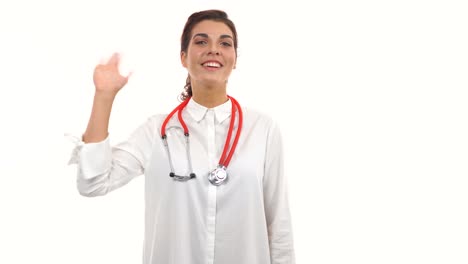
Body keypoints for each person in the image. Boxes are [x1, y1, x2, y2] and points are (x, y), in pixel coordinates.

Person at [68, 9, 295, 264]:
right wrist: (104, 96)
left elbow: (278, 224)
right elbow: (93, 183)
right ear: (183, 57)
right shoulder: (157, 131)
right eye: (201, 41)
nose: (214, 49)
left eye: (225, 43)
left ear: (235, 58)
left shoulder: (262, 129)